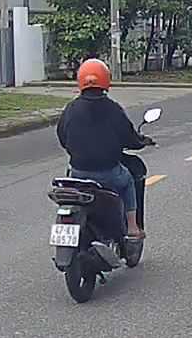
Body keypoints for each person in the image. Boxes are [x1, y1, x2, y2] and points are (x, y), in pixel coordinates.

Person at [56, 58, 150, 239]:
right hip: (108, 172)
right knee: (129, 181)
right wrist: (141, 141)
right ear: (106, 80)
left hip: (78, 173)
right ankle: (132, 227)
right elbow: (128, 137)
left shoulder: (71, 108)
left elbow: (62, 136)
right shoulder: (113, 108)